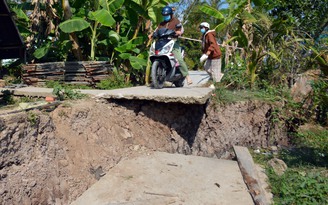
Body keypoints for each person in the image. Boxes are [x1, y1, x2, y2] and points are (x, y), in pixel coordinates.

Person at [148, 6, 193, 85]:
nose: (166, 17)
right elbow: (156, 30)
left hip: (173, 42)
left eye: (167, 15)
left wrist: (178, 32)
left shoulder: (176, 21)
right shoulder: (161, 23)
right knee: (154, 54)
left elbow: (180, 30)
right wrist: (151, 35)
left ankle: (187, 76)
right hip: (162, 42)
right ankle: (156, 78)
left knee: (179, 58)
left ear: (171, 14)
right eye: (164, 16)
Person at [199, 22, 223, 88]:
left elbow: (213, 44)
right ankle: (219, 76)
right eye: (200, 28)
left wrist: (207, 53)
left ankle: (216, 85)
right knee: (206, 67)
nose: (201, 29)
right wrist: (204, 54)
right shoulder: (205, 35)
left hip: (215, 55)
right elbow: (205, 46)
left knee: (214, 70)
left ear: (206, 28)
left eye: (202, 28)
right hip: (210, 56)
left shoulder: (209, 34)